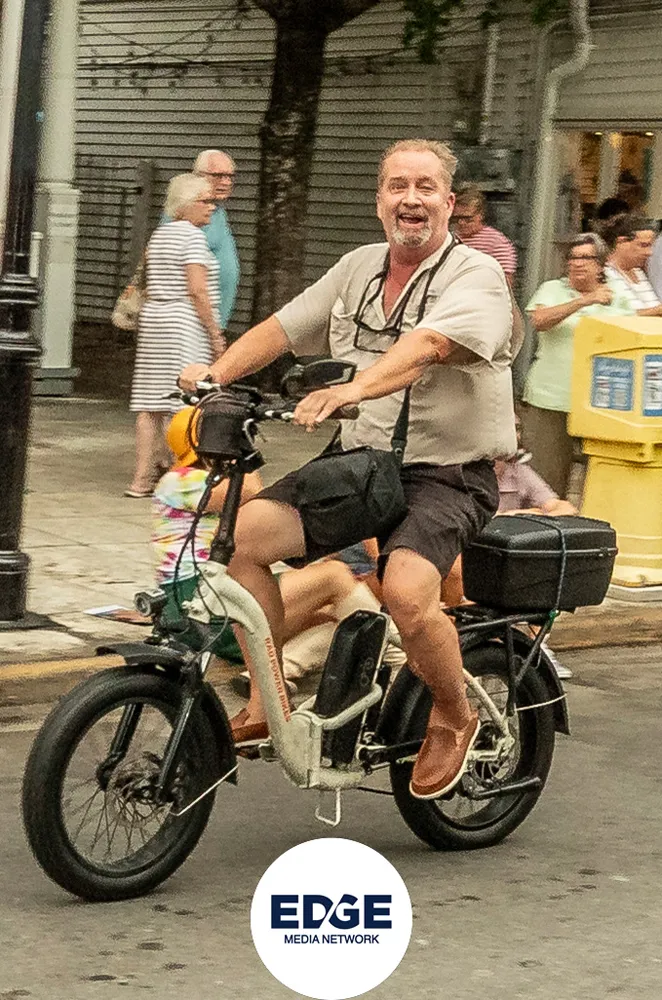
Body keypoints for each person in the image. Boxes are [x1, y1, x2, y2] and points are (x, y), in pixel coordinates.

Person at [180, 137, 516, 801]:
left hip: (446, 473)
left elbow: (429, 345)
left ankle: (455, 713)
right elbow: (282, 328)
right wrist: (214, 376)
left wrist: (355, 388)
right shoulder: (358, 267)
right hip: (363, 462)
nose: (411, 199)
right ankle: (268, 703)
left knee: (406, 592)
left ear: (449, 203)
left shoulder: (475, 275)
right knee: (241, 540)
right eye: (397, 186)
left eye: (425, 187)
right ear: (379, 200)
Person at [155, 409, 396, 736]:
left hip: (207, 606)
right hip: (209, 604)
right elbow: (252, 489)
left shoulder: (184, 482)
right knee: (335, 576)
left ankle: (281, 679)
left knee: (332, 616)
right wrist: (242, 448)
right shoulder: (179, 481)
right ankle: (401, 658)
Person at [126, 174, 226, 497]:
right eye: (205, 201)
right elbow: (198, 291)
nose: (212, 207)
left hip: (154, 320)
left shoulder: (160, 234)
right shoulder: (193, 238)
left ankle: (141, 479)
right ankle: (177, 475)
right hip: (184, 323)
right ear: (186, 204)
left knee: (148, 403)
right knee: (183, 399)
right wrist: (215, 333)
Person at [521, 233, 635, 498]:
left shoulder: (619, 295)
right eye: (572, 257)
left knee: (599, 483)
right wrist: (586, 300)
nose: (577, 263)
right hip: (550, 398)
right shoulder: (552, 289)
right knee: (545, 483)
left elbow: (632, 336)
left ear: (601, 264)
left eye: (585, 258)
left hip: (601, 402)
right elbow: (540, 321)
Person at [193, 149, 240, 333]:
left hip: (212, 321)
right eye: (218, 176)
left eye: (230, 176)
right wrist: (212, 329)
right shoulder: (189, 212)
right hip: (195, 323)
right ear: (199, 176)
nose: (226, 182)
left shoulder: (216, 210)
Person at [451, 184, 517, 287]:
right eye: (456, 218)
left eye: (467, 219)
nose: (461, 223)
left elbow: (505, 282)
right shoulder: (450, 238)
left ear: (480, 215)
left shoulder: (496, 242)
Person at [602, 214, 662, 315]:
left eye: (650, 246)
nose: (649, 252)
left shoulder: (638, 272)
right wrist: (656, 311)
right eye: (643, 245)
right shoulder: (604, 274)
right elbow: (613, 315)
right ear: (621, 242)